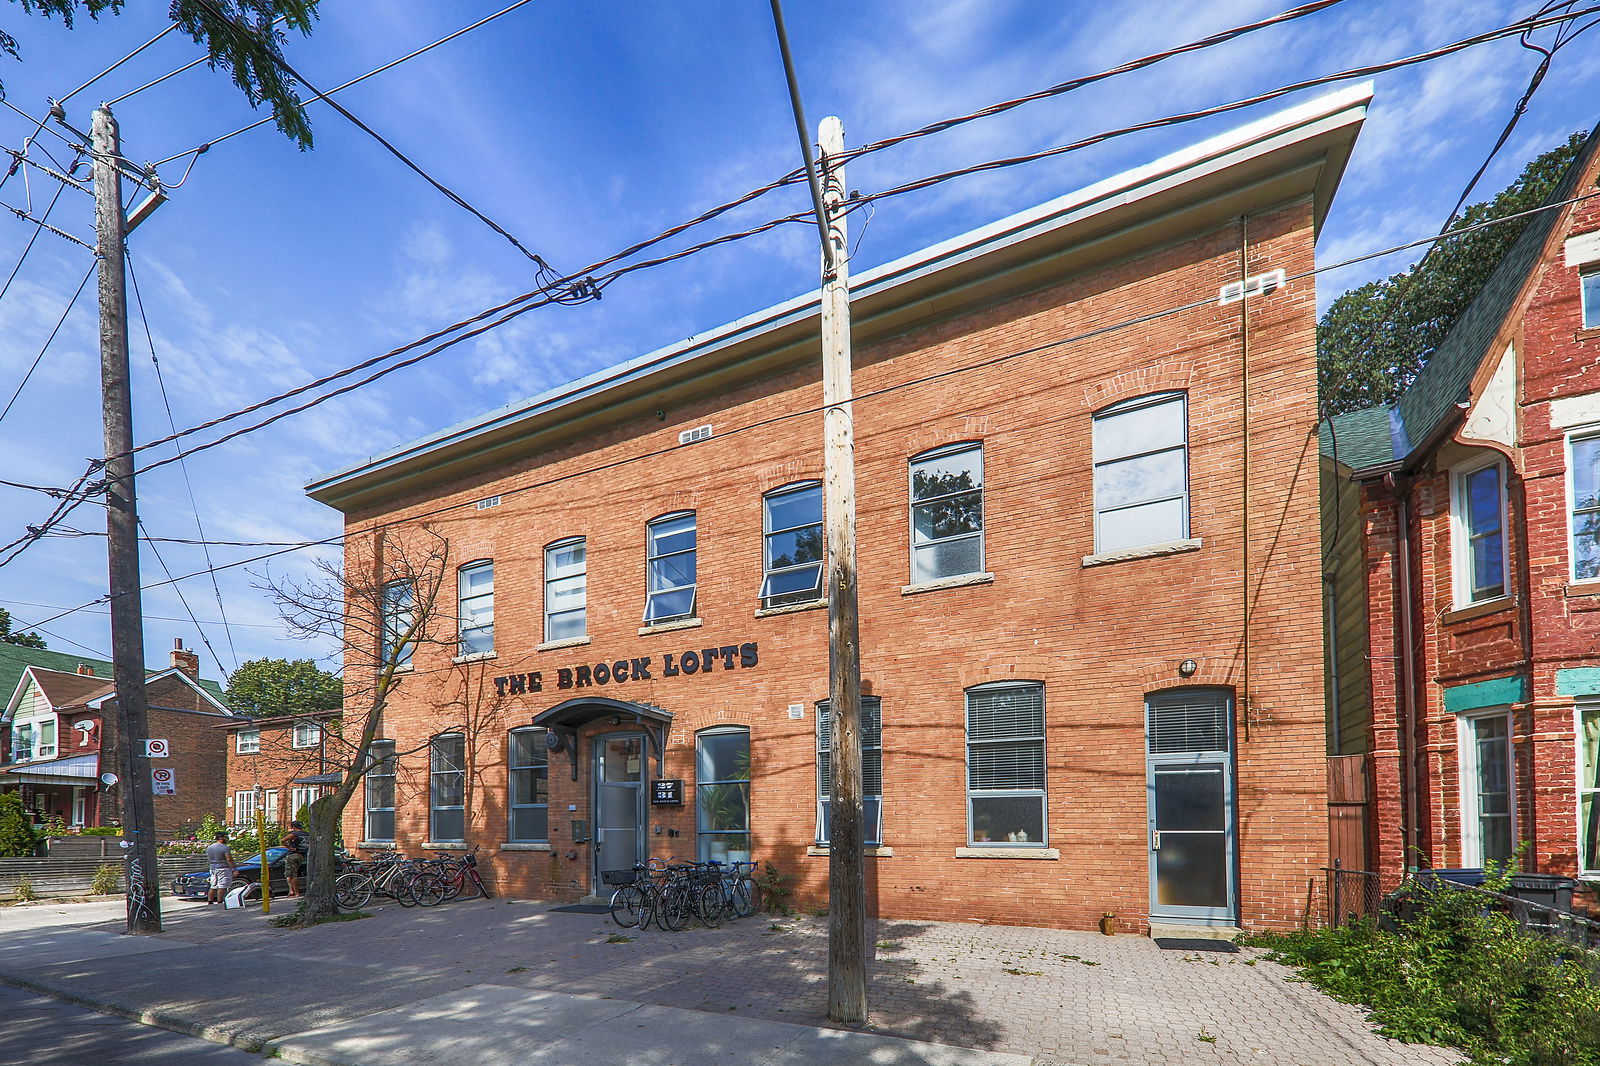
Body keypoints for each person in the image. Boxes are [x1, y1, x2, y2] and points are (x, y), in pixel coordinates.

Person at [205, 831, 236, 905]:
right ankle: (220, 901)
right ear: (221, 838)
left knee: (213, 885)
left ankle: (210, 901)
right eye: (225, 837)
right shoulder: (225, 848)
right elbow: (229, 859)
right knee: (222, 885)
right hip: (223, 868)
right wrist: (234, 869)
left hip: (212, 868)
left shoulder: (209, 848)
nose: (226, 839)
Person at [283, 820, 309, 897]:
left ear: (293, 827)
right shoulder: (307, 834)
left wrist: (288, 847)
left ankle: (296, 892)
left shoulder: (294, 834)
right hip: (302, 855)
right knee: (289, 874)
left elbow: (283, 840)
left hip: (292, 855)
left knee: (293, 875)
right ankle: (291, 890)